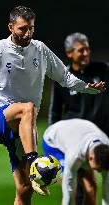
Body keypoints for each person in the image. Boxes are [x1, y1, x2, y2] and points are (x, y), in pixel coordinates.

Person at [0, 6, 105, 205]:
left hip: (24, 127)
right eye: (23, 29)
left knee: (24, 191)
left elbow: (64, 77)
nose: (28, 33)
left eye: (31, 28)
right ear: (11, 27)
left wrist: (87, 87)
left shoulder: (39, 49)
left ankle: (30, 164)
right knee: (27, 108)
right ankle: (34, 160)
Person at [48, 32, 109, 204]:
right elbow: (54, 110)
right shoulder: (63, 78)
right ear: (69, 53)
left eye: (87, 49)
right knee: (84, 188)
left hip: (99, 140)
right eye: (81, 50)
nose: (86, 53)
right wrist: (55, 141)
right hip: (75, 141)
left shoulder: (104, 70)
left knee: (91, 187)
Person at [42, 118, 109, 205]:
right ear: (91, 158)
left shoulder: (106, 146)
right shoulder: (74, 155)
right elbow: (68, 187)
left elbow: (107, 186)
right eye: (98, 169)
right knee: (71, 187)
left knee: (91, 188)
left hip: (77, 137)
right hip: (53, 142)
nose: (99, 172)